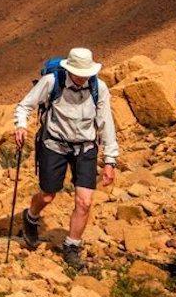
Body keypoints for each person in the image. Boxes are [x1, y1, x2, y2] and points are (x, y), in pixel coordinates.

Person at [13, 47, 119, 269]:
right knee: (48, 195)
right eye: (79, 73)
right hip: (55, 144)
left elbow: (106, 122)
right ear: (69, 70)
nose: (83, 78)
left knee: (85, 201)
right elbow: (24, 106)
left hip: (86, 147)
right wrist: (21, 126)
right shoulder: (52, 82)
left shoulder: (98, 87)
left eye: (86, 74)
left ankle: (72, 246)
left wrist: (110, 160)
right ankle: (31, 216)